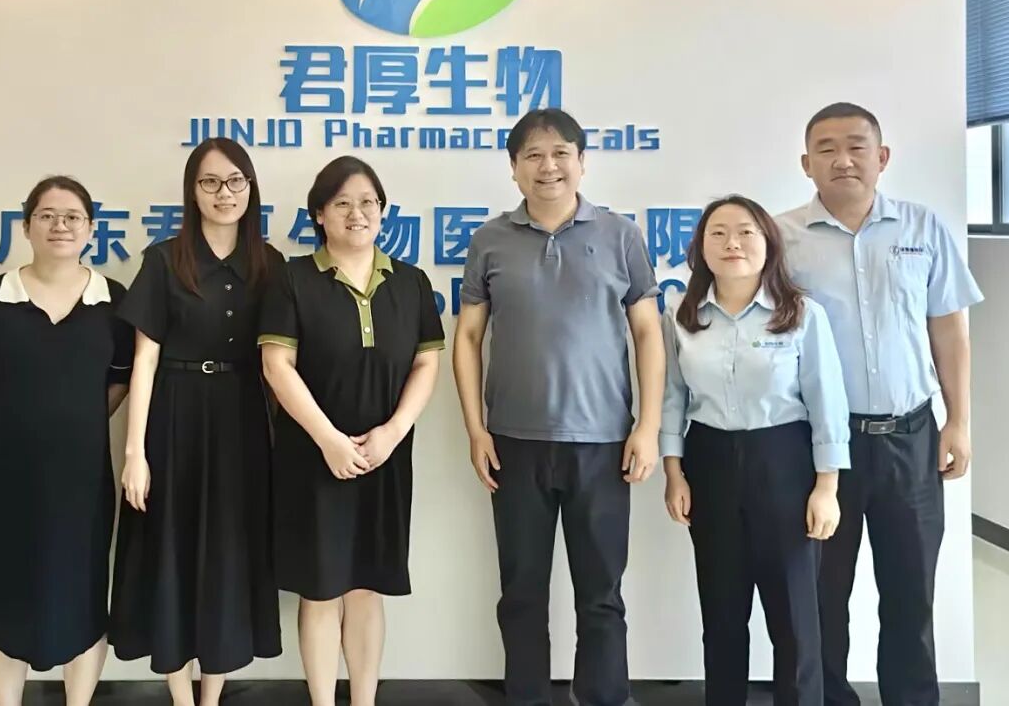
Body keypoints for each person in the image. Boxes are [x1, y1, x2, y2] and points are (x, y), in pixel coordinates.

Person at [452, 108, 664, 706]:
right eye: (533, 156)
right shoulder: (490, 240)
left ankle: (603, 696)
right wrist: (475, 430)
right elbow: (468, 337)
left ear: (582, 162)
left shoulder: (620, 235)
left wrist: (647, 426)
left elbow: (648, 332)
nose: (548, 166)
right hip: (514, 443)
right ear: (514, 169)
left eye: (561, 153)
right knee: (521, 592)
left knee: (602, 594)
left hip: (604, 443)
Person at [777, 102, 983, 706]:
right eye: (826, 149)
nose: (843, 159)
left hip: (910, 438)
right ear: (806, 164)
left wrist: (959, 421)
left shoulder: (923, 228)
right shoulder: (780, 238)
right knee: (821, 595)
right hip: (820, 448)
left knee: (911, 592)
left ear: (882, 156)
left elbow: (949, 331)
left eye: (856, 146)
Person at [259, 156, 443, 706]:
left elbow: (426, 363)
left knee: (366, 587)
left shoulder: (410, 281)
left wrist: (393, 431)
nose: (356, 213)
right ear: (319, 214)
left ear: (383, 212)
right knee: (320, 591)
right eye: (341, 203)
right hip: (312, 456)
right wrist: (329, 441)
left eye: (368, 202)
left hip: (385, 456)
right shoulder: (292, 278)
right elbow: (276, 366)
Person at [0, 176, 133, 706]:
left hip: (82, 483)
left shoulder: (114, 302)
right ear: (26, 227)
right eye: (47, 215)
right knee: (7, 600)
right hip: (5, 480)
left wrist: (69, 424)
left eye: (73, 216)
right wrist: (12, 426)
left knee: (82, 598)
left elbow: (120, 383)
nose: (60, 225)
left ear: (91, 229)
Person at [109, 138, 282, 706]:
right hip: (175, 418)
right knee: (173, 548)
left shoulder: (270, 263)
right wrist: (135, 452)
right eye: (210, 182)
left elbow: (282, 362)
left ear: (250, 187)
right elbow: (145, 360)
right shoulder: (165, 259)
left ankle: (211, 696)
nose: (223, 193)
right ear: (192, 191)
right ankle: (182, 696)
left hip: (241, 421)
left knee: (229, 551)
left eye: (235, 181)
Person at [660, 195, 850, 706]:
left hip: (784, 462)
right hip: (708, 463)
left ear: (768, 242)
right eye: (718, 233)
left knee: (794, 616)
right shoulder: (681, 315)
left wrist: (827, 486)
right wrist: (674, 473)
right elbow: (672, 397)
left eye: (746, 232)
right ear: (701, 247)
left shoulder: (801, 314)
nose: (733, 243)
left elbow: (827, 401)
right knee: (722, 612)